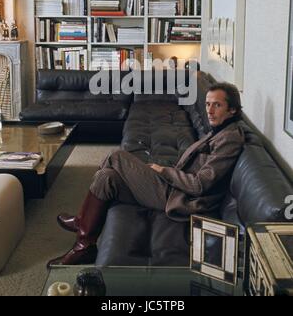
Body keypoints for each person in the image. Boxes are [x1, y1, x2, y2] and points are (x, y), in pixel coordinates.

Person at [47, 82, 245, 268]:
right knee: (105, 178)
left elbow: (200, 184)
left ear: (232, 109)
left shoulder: (230, 138)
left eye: (217, 105)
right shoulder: (220, 130)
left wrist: (164, 171)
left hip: (182, 198)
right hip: (175, 187)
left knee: (117, 156)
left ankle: (82, 223)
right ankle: (85, 246)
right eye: (208, 104)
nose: (209, 111)